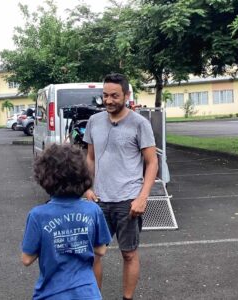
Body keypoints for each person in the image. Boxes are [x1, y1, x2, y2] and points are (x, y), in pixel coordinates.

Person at [83, 73, 158, 300]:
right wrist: (88, 187)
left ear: (126, 95)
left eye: (114, 96)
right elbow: (90, 159)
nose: (108, 100)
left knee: (129, 254)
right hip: (99, 201)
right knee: (95, 254)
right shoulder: (94, 122)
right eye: (105, 95)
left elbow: (152, 162)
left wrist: (142, 198)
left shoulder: (139, 123)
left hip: (128, 201)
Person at [21, 143, 112, 300]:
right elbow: (101, 250)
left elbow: (27, 259)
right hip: (88, 293)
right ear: (83, 175)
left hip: (51, 293)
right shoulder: (93, 210)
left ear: (44, 177)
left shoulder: (38, 215)